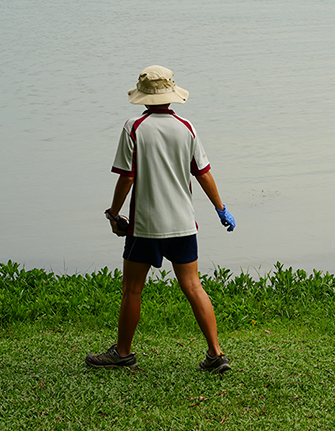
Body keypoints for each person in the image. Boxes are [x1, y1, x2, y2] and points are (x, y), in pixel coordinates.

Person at [86, 66, 237, 371]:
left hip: (145, 226)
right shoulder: (186, 127)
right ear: (171, 95)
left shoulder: (134, 128)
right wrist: (220, 208)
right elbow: (204, 173)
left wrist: (114, 214)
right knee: (194, 286)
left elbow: (126, 179)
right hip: (184, 224)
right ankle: (215, 354)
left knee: (132, 289)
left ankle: (123, 353)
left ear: (143, 97)